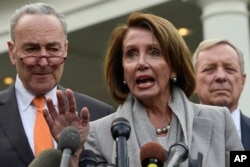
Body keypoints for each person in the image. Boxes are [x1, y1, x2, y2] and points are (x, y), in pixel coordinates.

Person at [46, 12, 244, 166]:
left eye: (154, 52)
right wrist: (73, 154)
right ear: (123, 71)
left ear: (174, 66)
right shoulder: (98, 134)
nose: (141, 63)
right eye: (131, 54)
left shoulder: (220, 120)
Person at [0, 3, 114, 167]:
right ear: (12, 52)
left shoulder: (100, 115)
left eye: (53, 49)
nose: (44, 61)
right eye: (32, 49)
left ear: (65, 49)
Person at [193, 38, 250, 150]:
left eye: (230, 69)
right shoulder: (178, 137)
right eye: (209, 69)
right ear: (193, 81)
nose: (221, 76)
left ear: (242, 81)